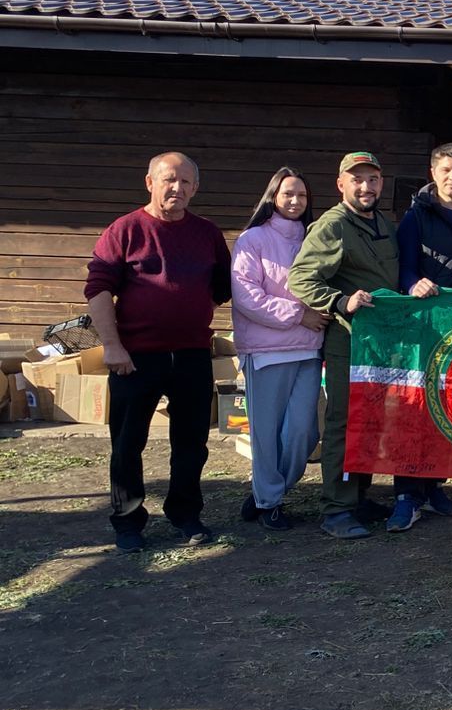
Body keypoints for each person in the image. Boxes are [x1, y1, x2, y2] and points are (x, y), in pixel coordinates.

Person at [86, 152, 232, 554]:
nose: (177, 189)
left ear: (196, 188)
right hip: (136, 357)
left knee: (191, 442)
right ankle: (128, 521)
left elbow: (221, 288)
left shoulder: (207, 233)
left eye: (186, 183)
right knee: (128, 442)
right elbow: (98, 290)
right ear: (149, 181)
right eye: (169, 180)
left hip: (191, 355)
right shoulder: (125, 230)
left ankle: (185, 514)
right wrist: (112, 346)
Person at [287, 151, 400, 539]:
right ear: (341, 185)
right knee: (343, 423)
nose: (366, 187)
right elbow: (300, 278)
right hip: (347, 342)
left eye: (372, 179)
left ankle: (359, 496)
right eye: (357, 180)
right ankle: (337, 508)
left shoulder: (383, 223)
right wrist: (339, 301)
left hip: (379, 343)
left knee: (371, 422)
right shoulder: (333, 225)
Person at [388, 142, 452, 531]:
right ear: (433, 173)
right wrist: (413, 284)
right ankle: (406, 493)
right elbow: (403, 269)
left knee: (450, 408)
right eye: (446, 170)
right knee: (417, 410)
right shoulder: (416, 217)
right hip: (427, 328)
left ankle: (433, 487)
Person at [230, 168, 329, 532]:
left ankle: (265, 492)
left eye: (302, 196)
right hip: (266, 350)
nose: (295, 201)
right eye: (288, 194)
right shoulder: (252, 239)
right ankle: (270, 501)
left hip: (308, 350)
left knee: (303, 432)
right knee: (266, 434)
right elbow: (246, 296)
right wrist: (298, 315)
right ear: (273, 196)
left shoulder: (314, 238)